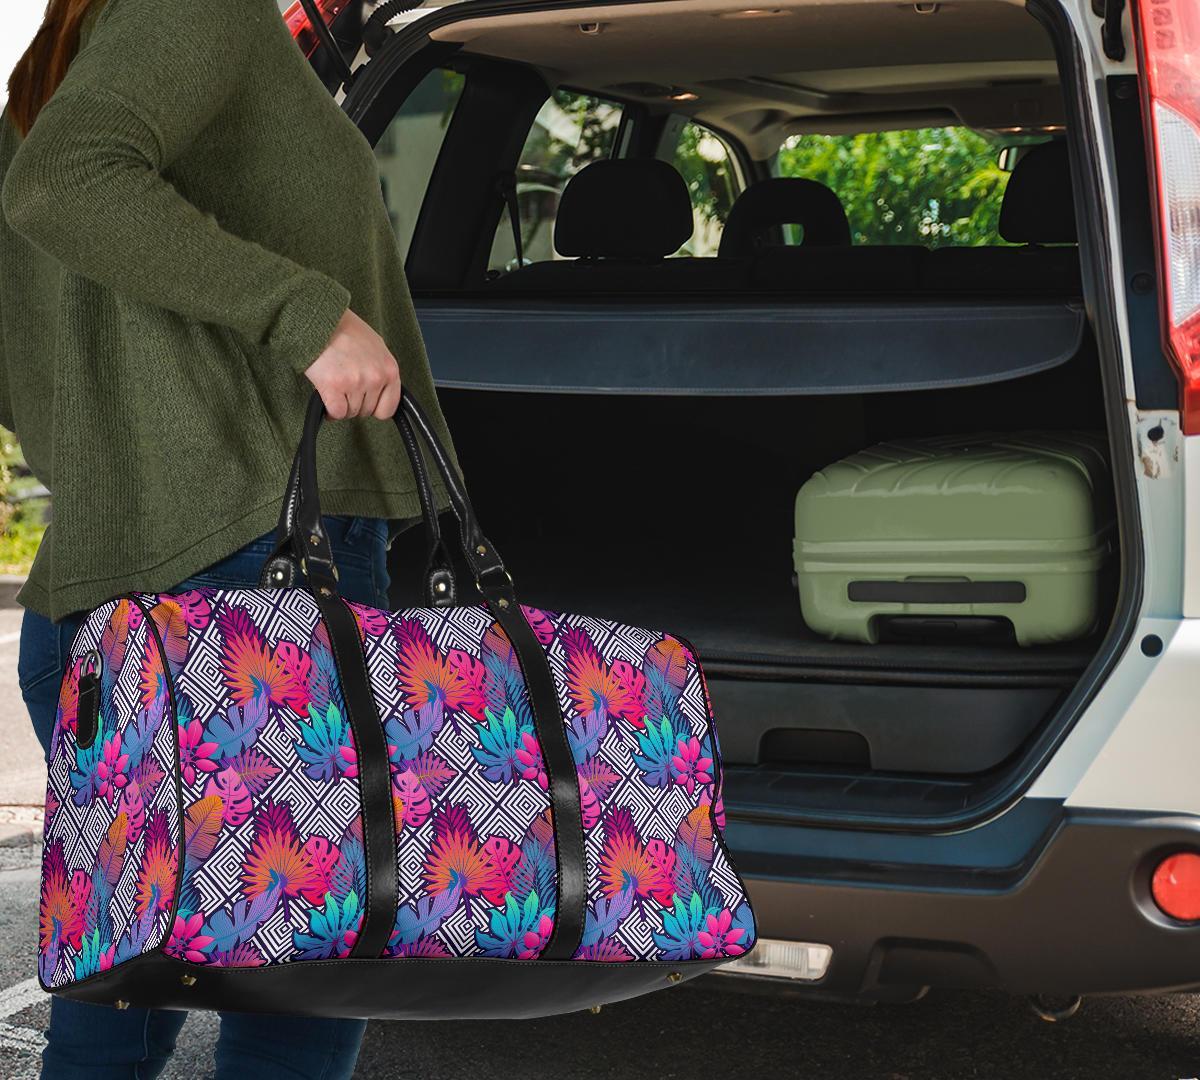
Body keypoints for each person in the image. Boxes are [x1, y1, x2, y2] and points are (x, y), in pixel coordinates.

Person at [0, 0, 454, 1075]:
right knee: (304, 978)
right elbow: (65, 185)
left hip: (112, 589)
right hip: (256, 578)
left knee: (120, 1005)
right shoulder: (193, 10)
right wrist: (306, 311)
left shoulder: (51, 72)